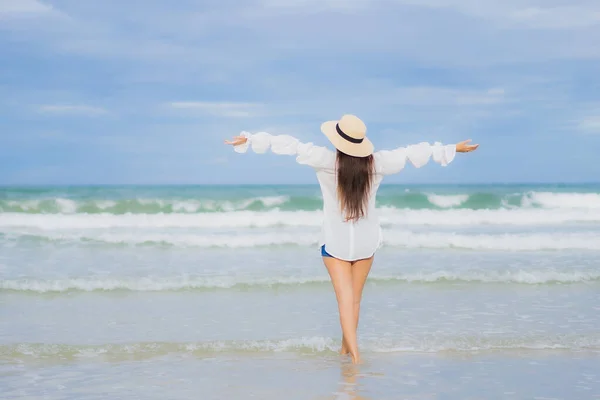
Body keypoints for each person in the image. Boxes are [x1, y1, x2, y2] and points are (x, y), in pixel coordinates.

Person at [225, 114, 479, 364]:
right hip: (366, 242)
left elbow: (291, 145)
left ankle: (355, 357)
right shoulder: (376, 163)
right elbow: (410, 153)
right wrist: (452, 149)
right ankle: (345, 352)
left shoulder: (326, 161)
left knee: (345, 300)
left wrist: (249, 139)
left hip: (335, 242)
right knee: (354, 299)